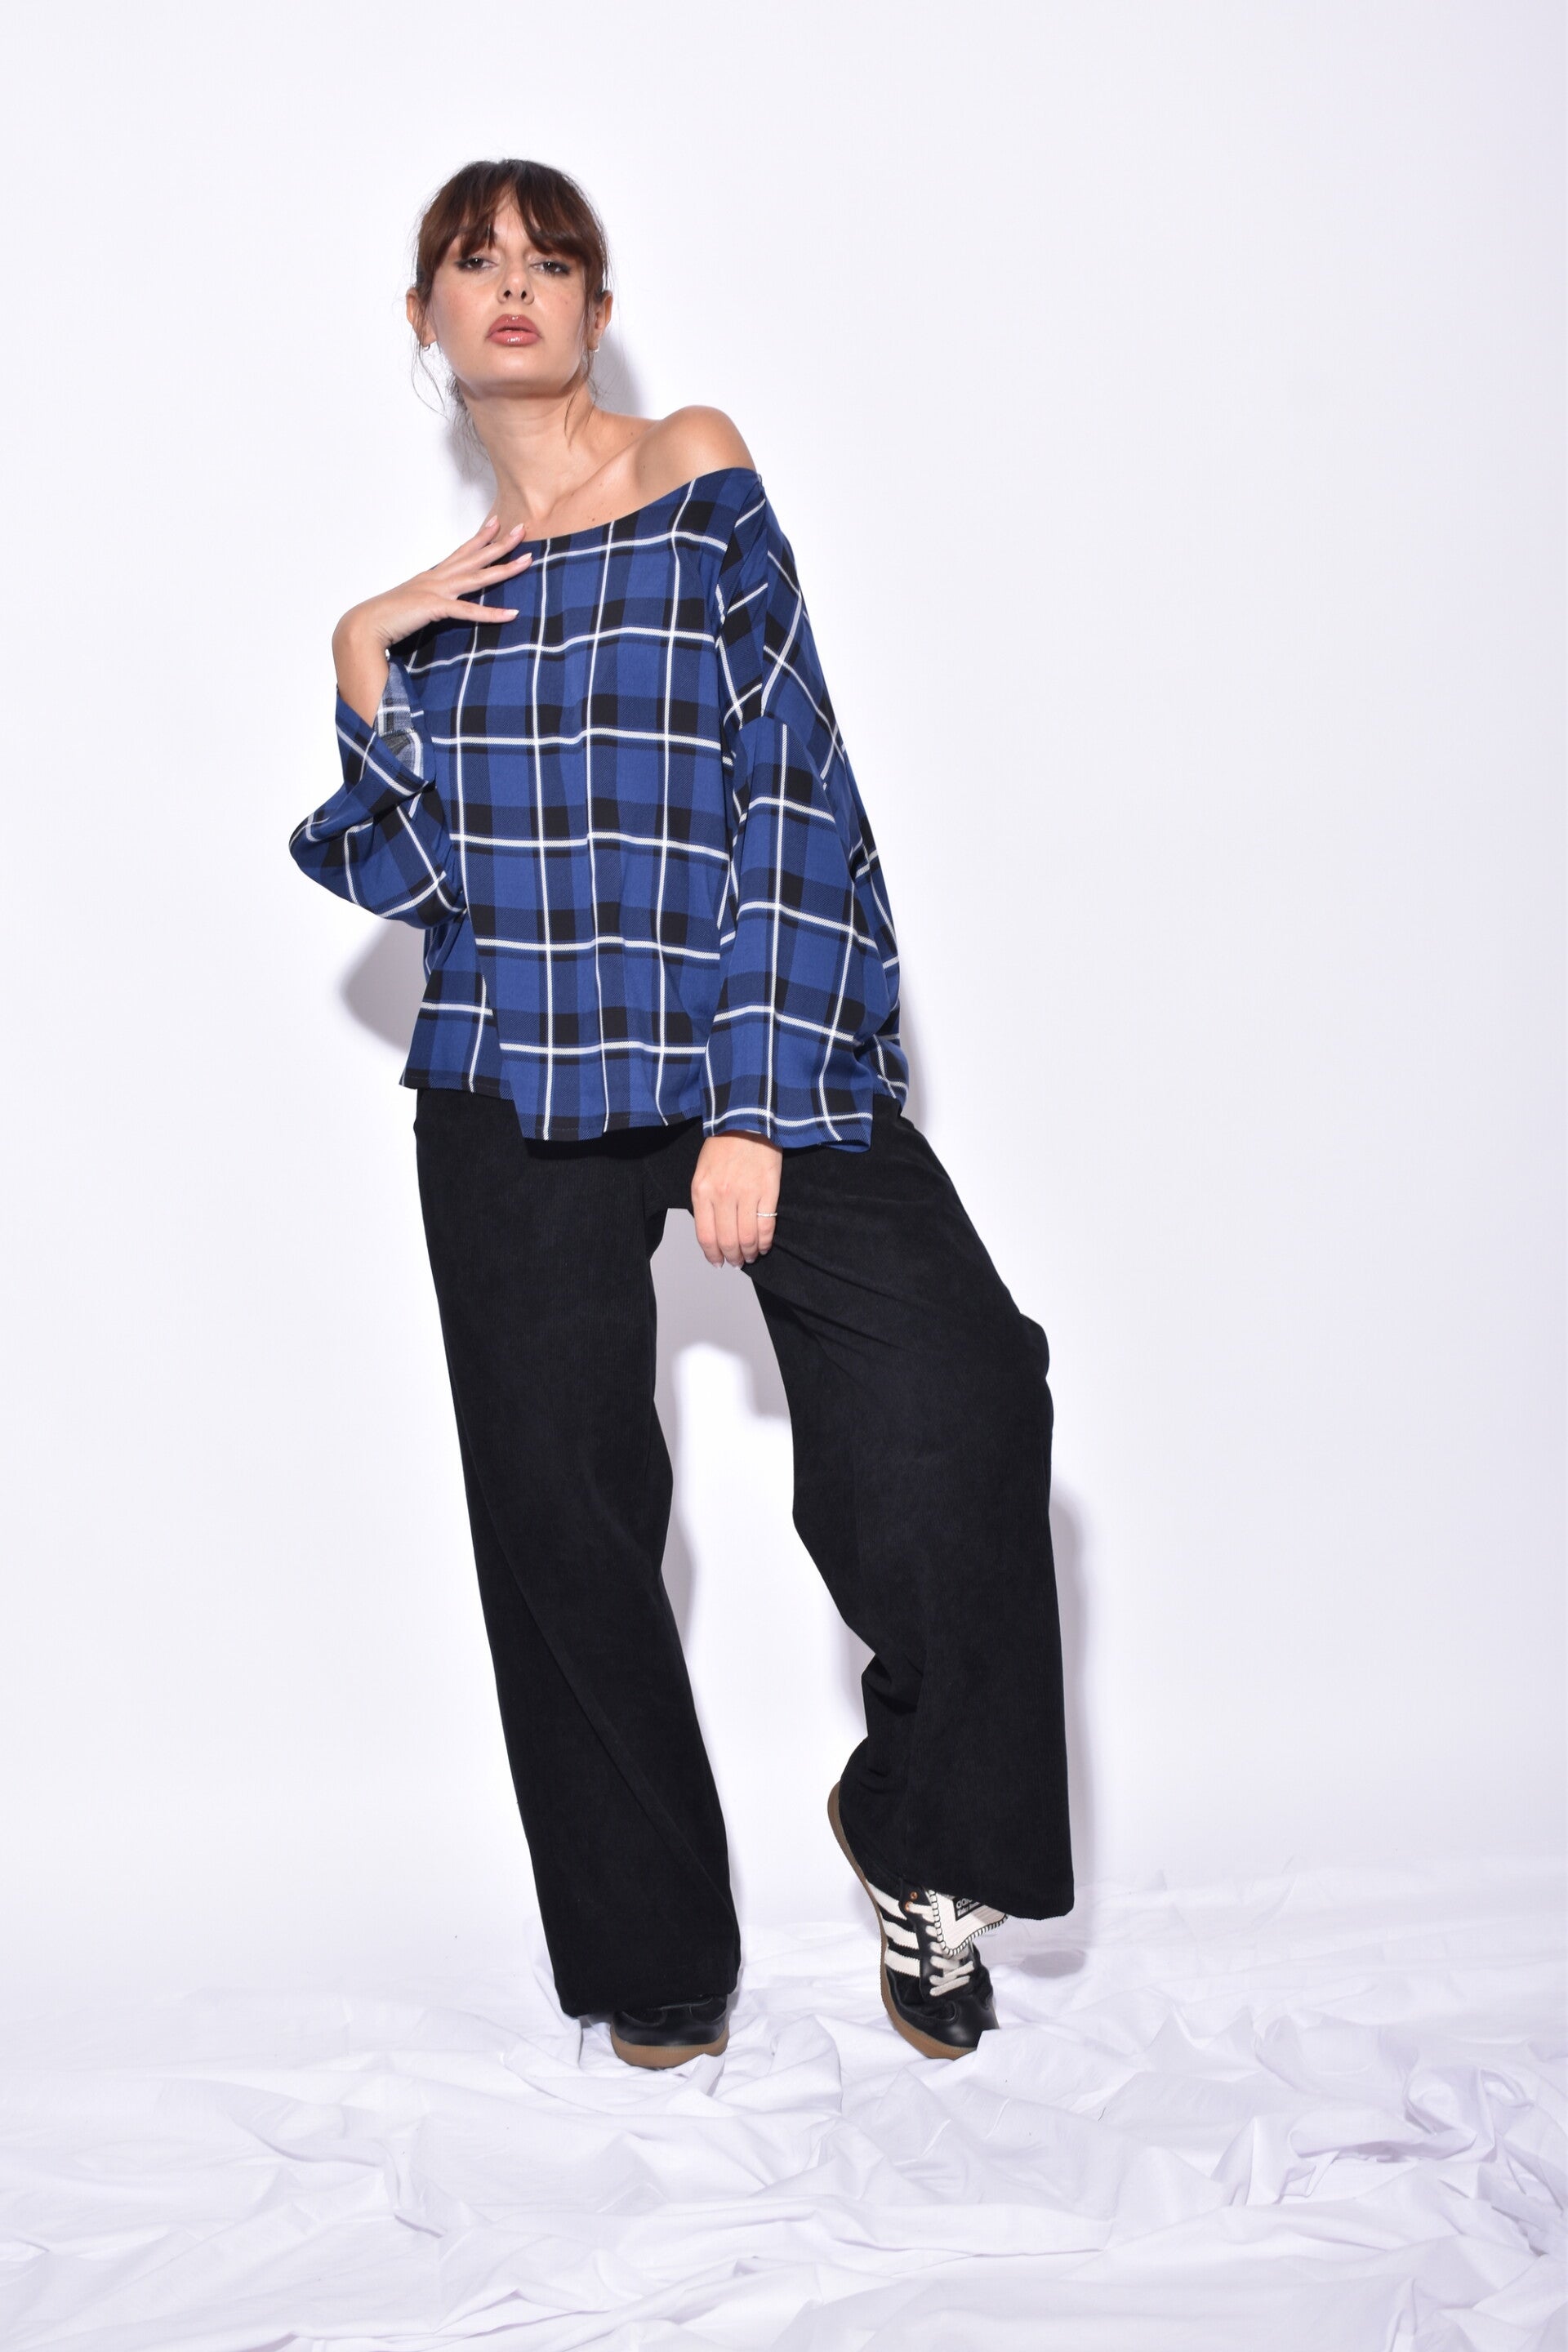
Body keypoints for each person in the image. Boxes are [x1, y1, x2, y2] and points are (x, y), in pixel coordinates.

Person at [288, 157, 1073, 2068]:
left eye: (548, 259)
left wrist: (757, 1106)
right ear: (425, 318)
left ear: (597, 306)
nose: (513, 284)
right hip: (509, 1073)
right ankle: (653, 1959)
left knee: (965, 1392)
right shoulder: (436, 608)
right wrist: (365, 658)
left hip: (738, 1054)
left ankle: (921, 1839)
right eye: (474, 261)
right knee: (560, 1521)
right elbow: (421, 884)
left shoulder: (691, 467)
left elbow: (791, 781)